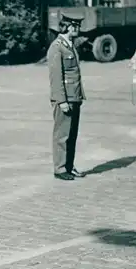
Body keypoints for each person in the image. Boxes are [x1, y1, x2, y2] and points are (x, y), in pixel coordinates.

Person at [47, 13, 86, 181]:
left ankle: (69, 166)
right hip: (65, 99)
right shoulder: (57, 47)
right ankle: (60, 168)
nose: (78, 29)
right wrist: (61, 100)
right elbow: (56, 77)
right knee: (62, 135)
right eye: (76, 26)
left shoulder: (69, 45)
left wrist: (78, 96)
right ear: (69, 27)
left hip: (74, 97)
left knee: (72, 134)